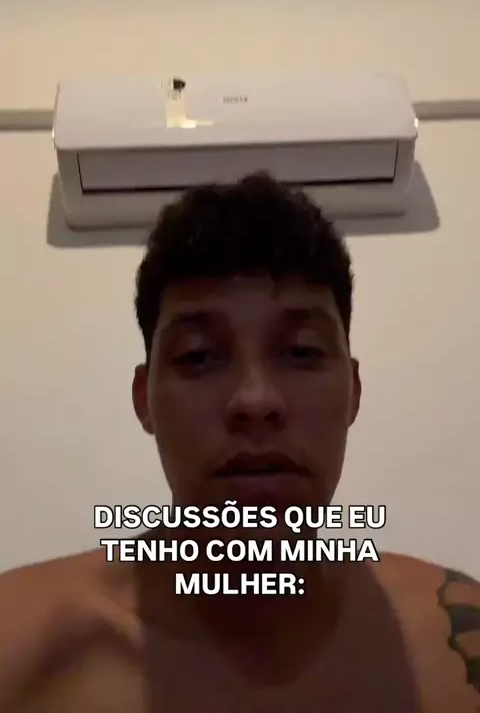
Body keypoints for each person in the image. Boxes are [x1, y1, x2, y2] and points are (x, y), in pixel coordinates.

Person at [1, 172, 479, 713]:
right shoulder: (20, 649)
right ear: (143, 400)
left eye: (301, 351)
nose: (254, 399)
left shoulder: (455, 644)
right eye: (198, 356)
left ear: (354, 391)